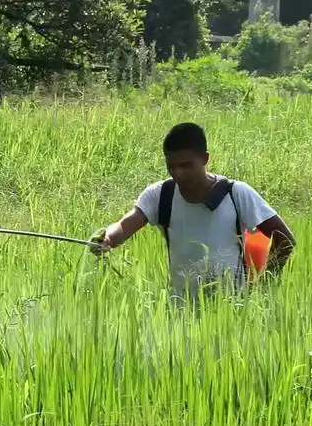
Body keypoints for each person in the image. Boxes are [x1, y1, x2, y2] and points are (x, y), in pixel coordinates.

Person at [90, 122, 296, 302]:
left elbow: (285, 239)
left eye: (186, 165)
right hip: (181, 309)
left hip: (233, 308)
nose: (178, 173)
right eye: (171, 166)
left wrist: (263, 285)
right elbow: (124, 225)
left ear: (205, 158)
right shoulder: (160, 195)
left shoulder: (236, 193)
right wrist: (107, 238)